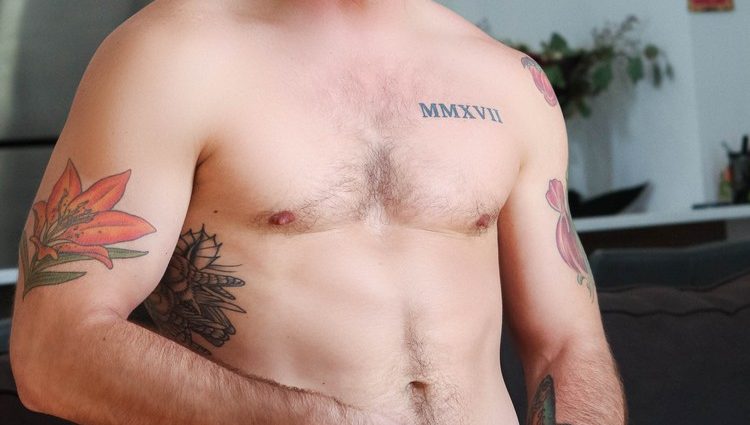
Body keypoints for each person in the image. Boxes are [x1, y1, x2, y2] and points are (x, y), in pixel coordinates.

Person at [10, 0, 626, 423]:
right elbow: (54, 347)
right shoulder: (170, 55)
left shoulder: (509, 81)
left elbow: (567, 344)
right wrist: (315, 421)